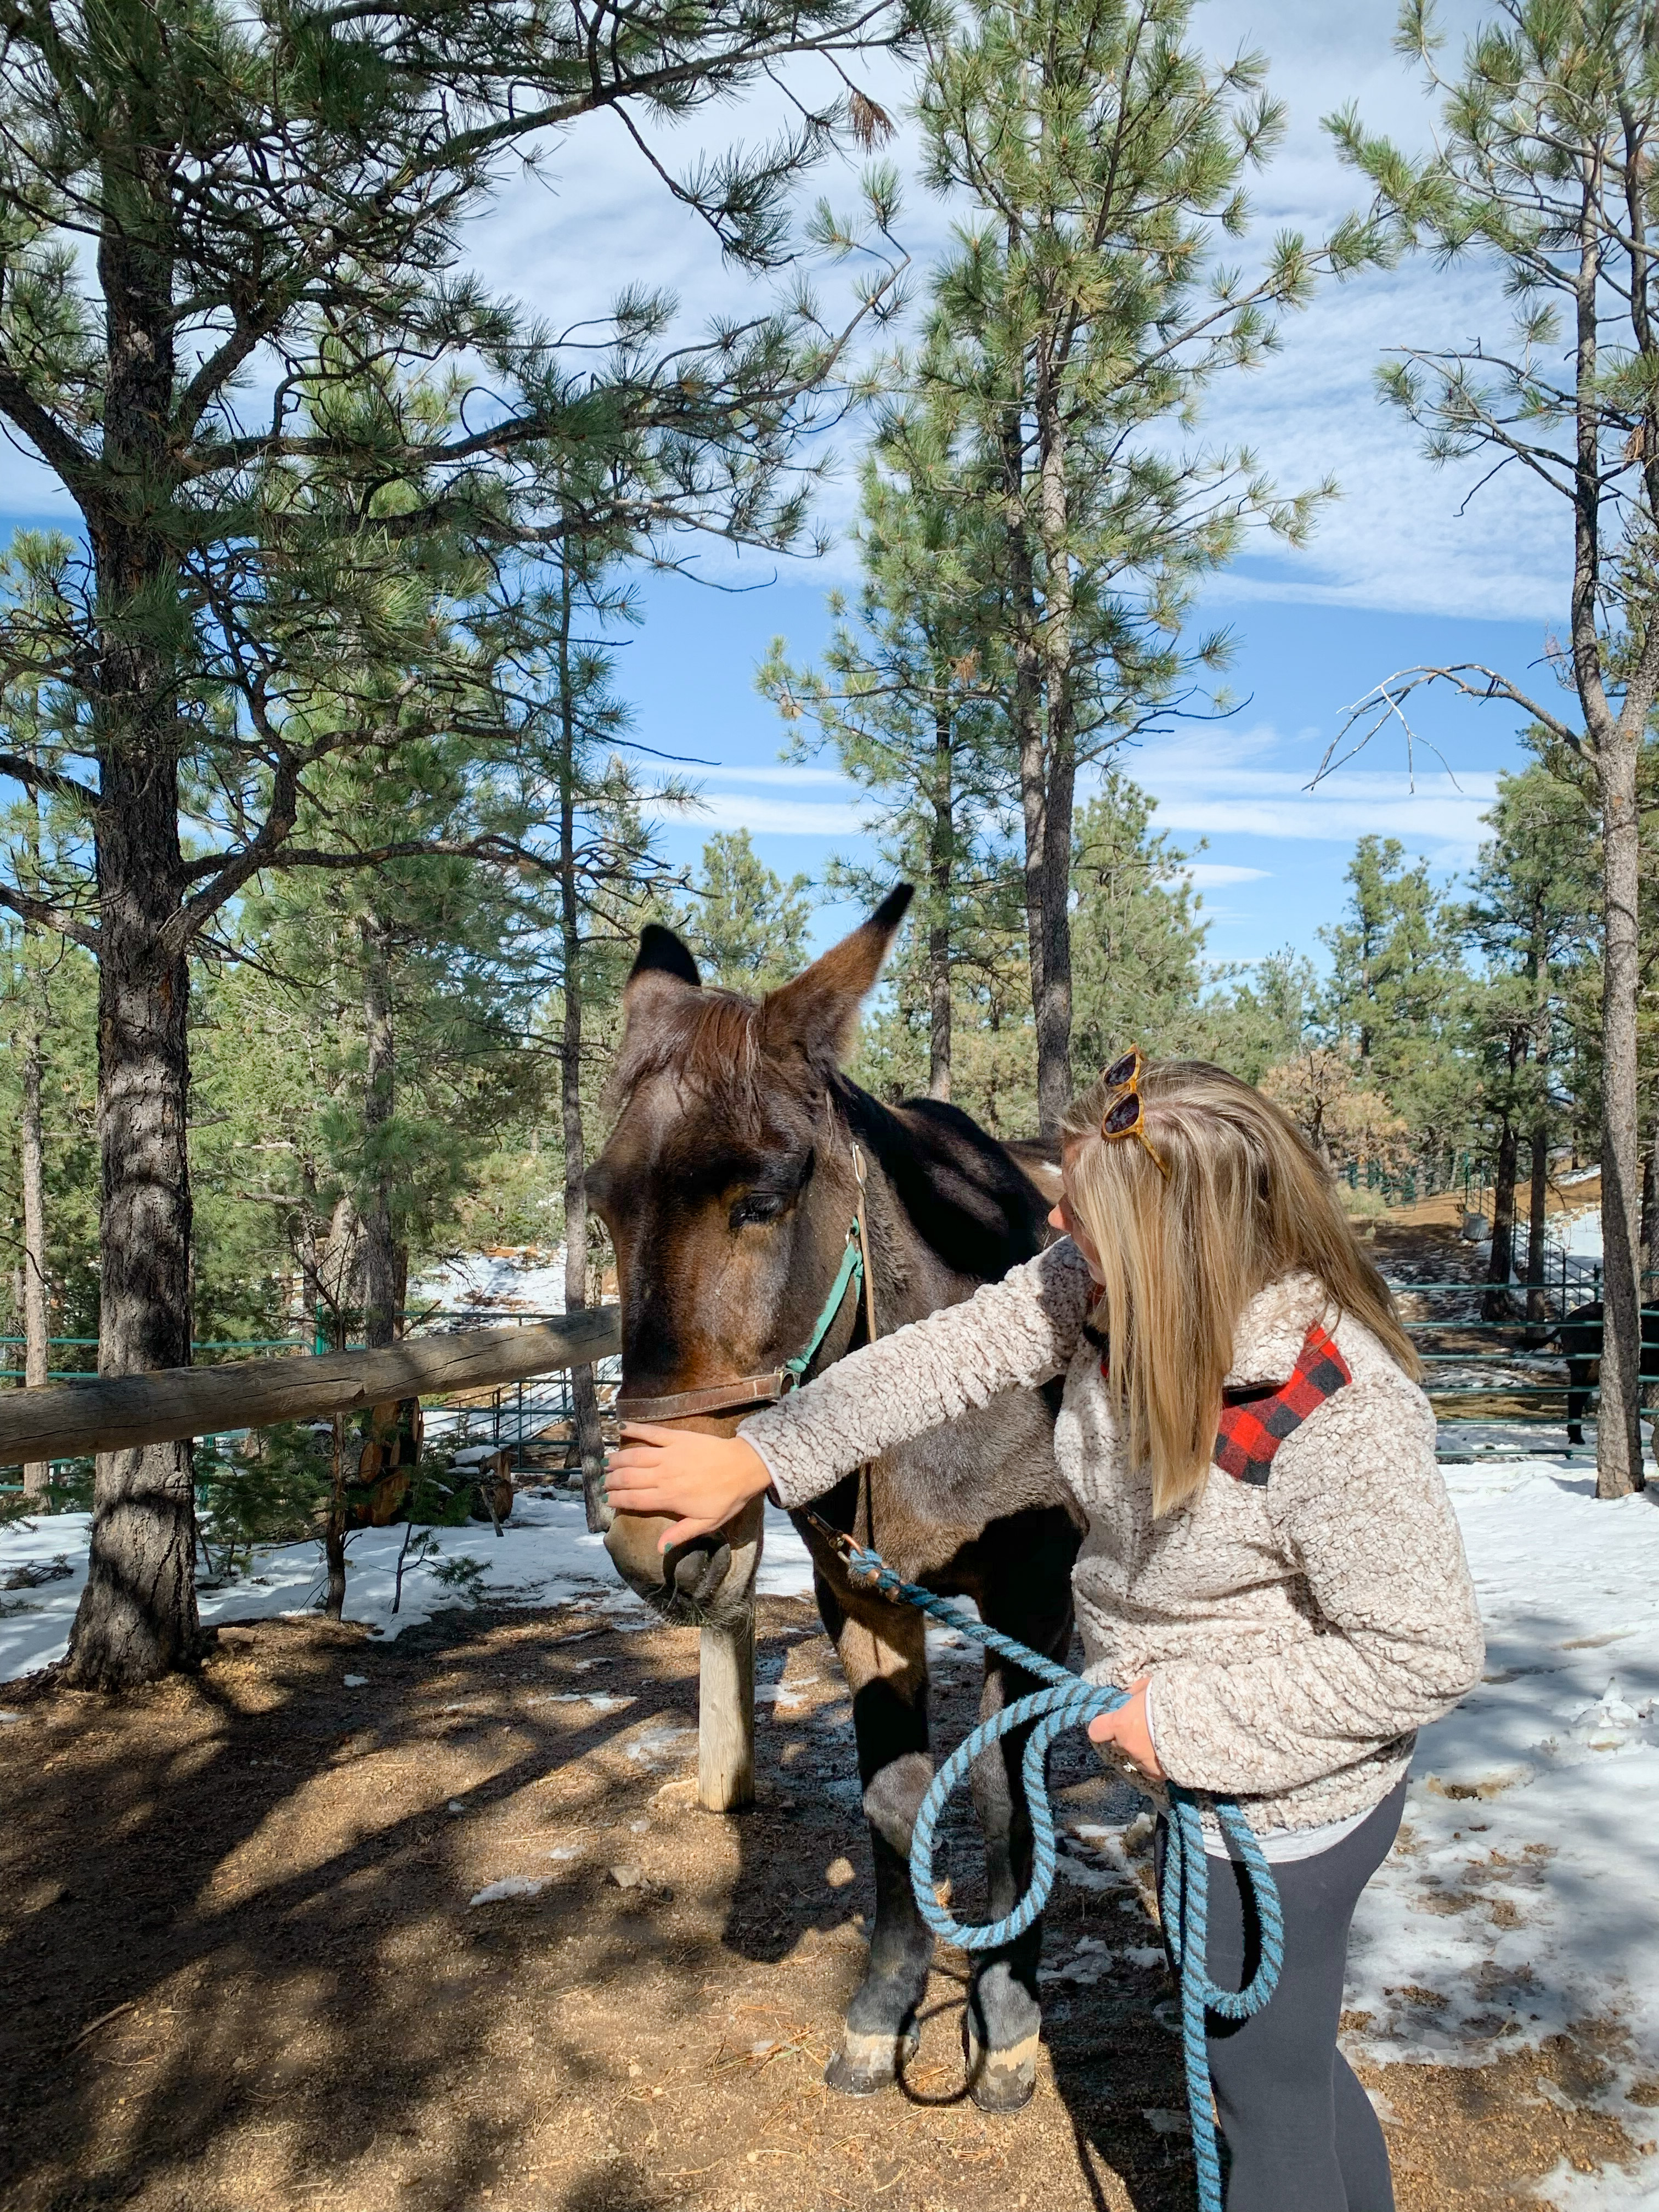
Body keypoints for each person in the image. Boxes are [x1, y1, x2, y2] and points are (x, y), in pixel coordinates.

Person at [604, 1052, 1483, 2212]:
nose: (1055, 1223)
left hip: (1287, 1805)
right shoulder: (1101, 1288)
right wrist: (766, 1453)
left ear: (1182, 1241)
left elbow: (1424, 1653)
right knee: (1286, 2070)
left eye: (1086, 1212)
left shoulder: (1341, 1411)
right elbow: (948, 1353)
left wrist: (1179, 1718)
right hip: (1202, 1768)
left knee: (1254, 2092)